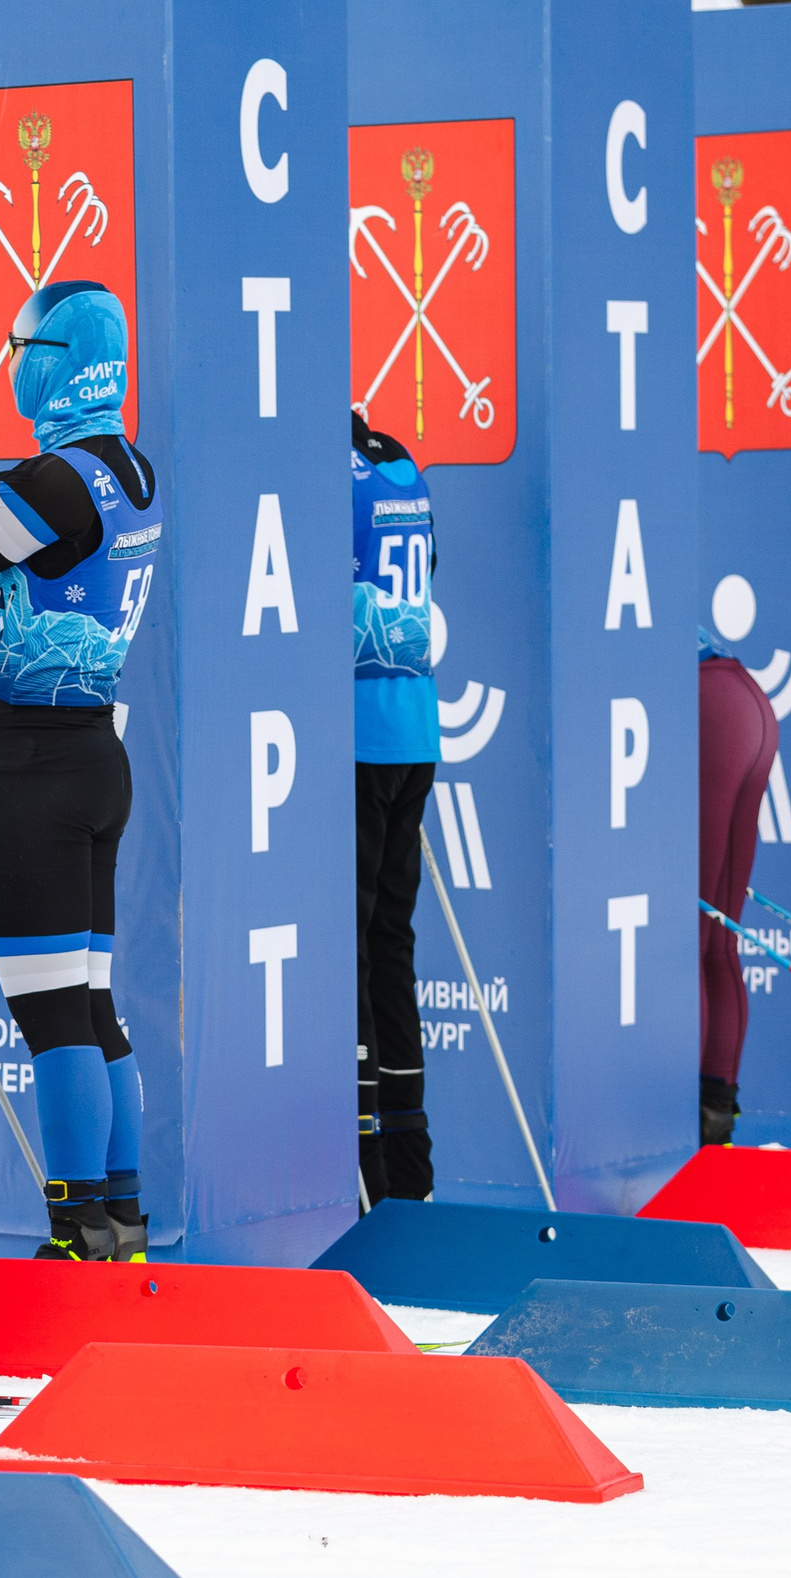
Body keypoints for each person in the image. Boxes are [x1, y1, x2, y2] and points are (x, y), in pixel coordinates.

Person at [0, 279, 159, 1262]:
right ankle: (117, 1216)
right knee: (89, 1004)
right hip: (91, 756)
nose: (9, 359)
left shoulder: (53, 482)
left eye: (21, 342)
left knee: (50, 1015)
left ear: (58, 356)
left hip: (29, 766)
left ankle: (76, 1228)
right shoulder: (125, 466)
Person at [350, 410, 439, 1204]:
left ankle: (370, 1164)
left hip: (360, 733)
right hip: (414, 729)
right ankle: (408, 1170)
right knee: (390, 944)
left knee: (352, 950)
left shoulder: (326, 473)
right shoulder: (396, 460)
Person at [698, 624, 776, 1145]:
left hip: (708, 708)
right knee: (717, 943)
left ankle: (694, 1133)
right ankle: (715, 1126)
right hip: (746, 704)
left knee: (693, 941)